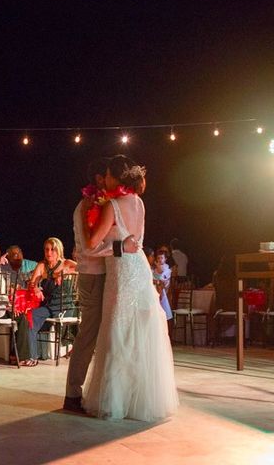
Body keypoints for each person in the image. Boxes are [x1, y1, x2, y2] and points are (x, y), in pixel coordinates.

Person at [82, 155, 178, 421]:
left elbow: (91, 245)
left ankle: (116, 401)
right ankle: (138, 399)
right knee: (139, 333)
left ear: (114, 177)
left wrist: (117, 246)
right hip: (139, 269)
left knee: (118, 332)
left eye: (108, 174)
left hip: (123, 270)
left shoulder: (113, 205)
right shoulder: (140, 202)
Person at [63, 157, 139, 412]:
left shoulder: (111, 203)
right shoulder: (88, 204)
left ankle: (116, 394)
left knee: (114, 334)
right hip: (93, 275)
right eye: (104, 175)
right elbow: (87, 248)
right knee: (89, 334)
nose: (107, 180)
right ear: (98, 179)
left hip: (112, 273)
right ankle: (73, 393)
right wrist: (121, 246)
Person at [21, 237, 77, 367]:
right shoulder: (42, 266)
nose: (49, 253)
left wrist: (67, 271)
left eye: (52, 250)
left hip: (65, 307)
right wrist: (35, 289)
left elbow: (83, 268)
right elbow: (32, 283)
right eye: (47, 250)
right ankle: (33, 356)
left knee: (60, 324)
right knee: (30, 316)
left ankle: (69, 345)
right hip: (49, 306)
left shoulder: (66, 263)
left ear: (59, 250)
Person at [152, 251, 173, 321]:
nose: (160, 259)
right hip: (155, 291)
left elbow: (161, 279)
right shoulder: (153, 269)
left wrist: (158, 268)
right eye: (158, 258)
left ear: (165, 259)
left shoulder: (168, 270)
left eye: (162, 258)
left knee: (163, 313)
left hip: (163, 292)